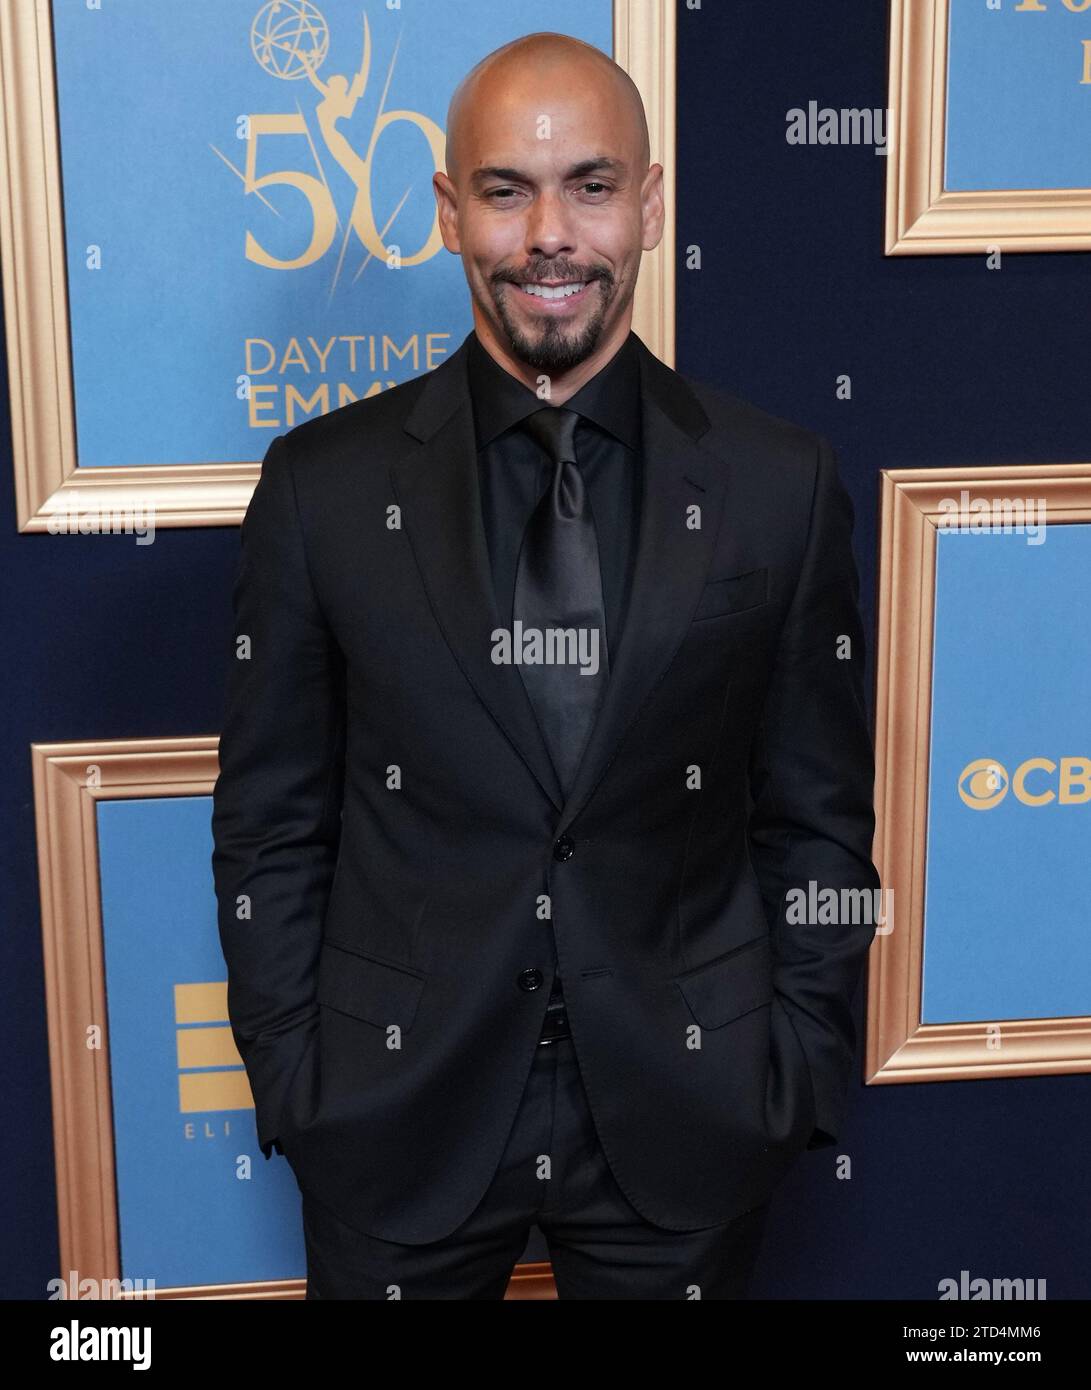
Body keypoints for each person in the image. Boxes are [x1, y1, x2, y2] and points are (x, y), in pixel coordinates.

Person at [211, 31, 881, 1300]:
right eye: (507, 191)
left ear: (649, 201)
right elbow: (269, 823)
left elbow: (817, 823)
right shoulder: (324, 489)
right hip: (395, 1112)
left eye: (590, 183)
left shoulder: (775, 486)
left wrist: (789, 1067)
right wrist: (301, 1074)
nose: (549, 235)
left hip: (686, 1117)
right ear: (449, 210)